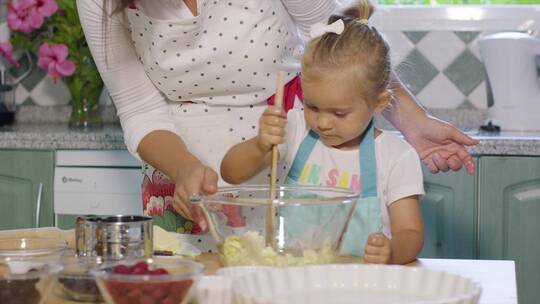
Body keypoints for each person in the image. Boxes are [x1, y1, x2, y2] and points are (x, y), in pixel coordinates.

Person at [77, 0, 476, 234]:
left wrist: (412, 121)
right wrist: (184, 168)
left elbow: (335, 37)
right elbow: (137, 106)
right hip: (180, 182)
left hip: (289, 168)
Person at [221, 1, 423, 264]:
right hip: (298, 279)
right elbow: (231, 173)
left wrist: (393, 252)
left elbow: (411, 232)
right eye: (312, 106)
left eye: (339, 113)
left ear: (379, 103)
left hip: (363, 286)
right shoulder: (295, 129)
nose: (324, 122)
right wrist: (260, 145)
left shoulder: (397, 156)